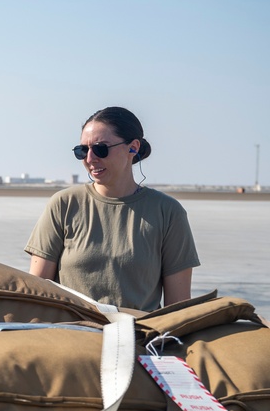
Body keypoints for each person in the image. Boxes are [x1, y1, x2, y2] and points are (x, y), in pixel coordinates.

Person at [25, 107, 199, 311]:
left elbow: (178, 308)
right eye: (82, 150)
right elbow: (35, 293)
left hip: (138, 337)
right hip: (72, 334)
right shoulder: (63, 204)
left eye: (100, 148)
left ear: (133, 147)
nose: (90, 159)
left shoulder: (168, 212)